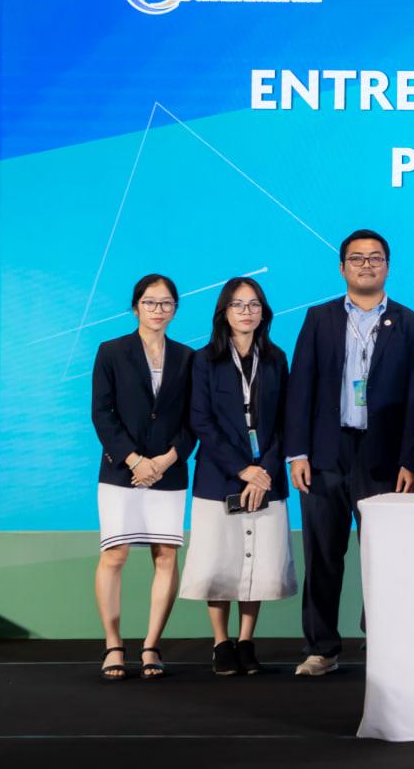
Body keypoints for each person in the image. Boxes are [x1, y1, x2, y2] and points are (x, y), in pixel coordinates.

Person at [284, 229, 414, 676]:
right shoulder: (320, 318)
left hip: (384, 457)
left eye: (375, 258)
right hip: (326, 453)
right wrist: (297, 452)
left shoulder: (412, 324)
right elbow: (301, 386)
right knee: (322, 554)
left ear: (388, 266)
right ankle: (322, 649)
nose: (366, 265)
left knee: (383, 555)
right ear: (342, 267)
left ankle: (382, 643)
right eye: (357, 258)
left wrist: (412, 460)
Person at [180, 277, 297, 676]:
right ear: (224, 312)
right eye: (238, 305)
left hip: (266, 475)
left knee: (257, 562)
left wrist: (264, 470)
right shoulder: (204, 360)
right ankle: (221, 642)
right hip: (219, 474)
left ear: (264, 312)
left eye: (253, 305)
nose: (246, 312)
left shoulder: (276, 359)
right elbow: (201, 421)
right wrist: (242, 468)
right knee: (220, 561)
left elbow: (285, 421)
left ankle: (246, 640)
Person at [91, 274, 196, 680]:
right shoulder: (111, 351)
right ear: (136, 307)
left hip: (169, 471)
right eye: (150, 302)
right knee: (114, 555)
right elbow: (102, 413)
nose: (158, 309)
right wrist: (136, 460)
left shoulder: (188, 357)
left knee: (166, 555)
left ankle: (151, 645)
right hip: (122, 470)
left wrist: (165, 460)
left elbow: (194, 419)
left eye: (166, 303)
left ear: (175, 309)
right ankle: (113, 644)